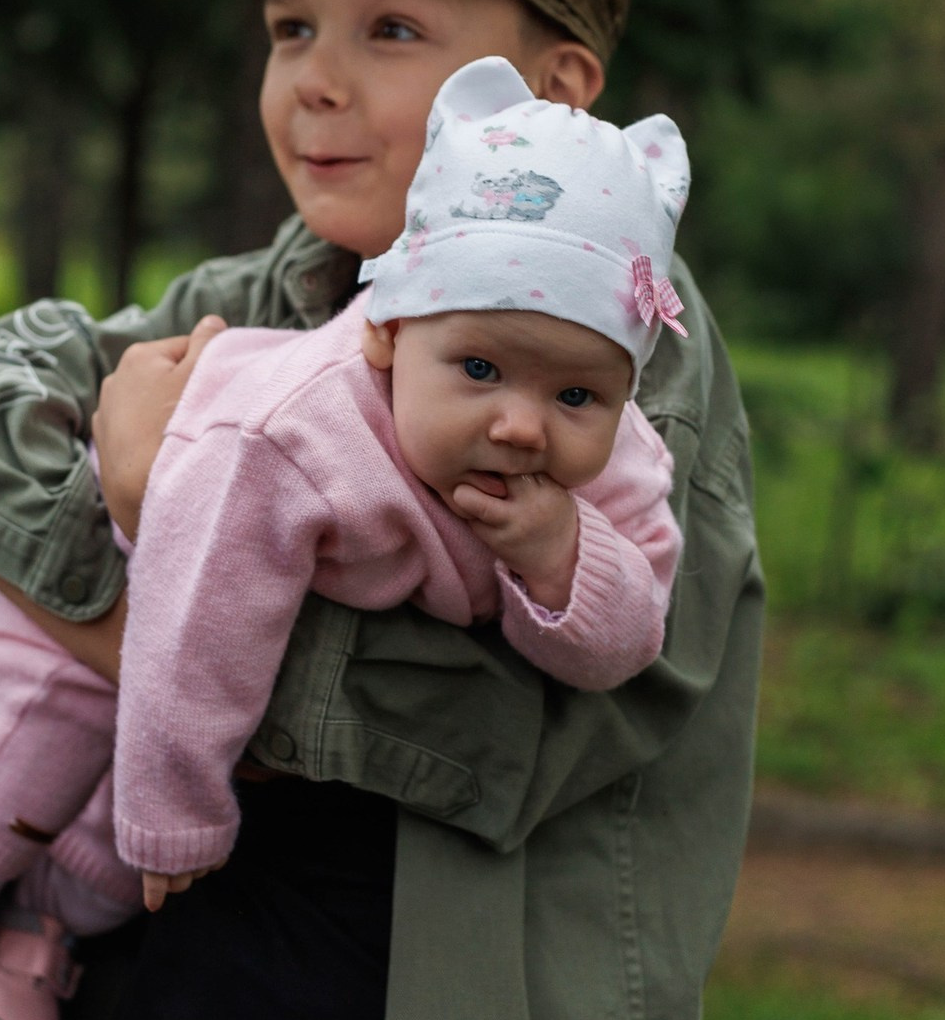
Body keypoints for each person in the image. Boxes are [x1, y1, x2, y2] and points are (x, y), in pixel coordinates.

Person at [0, 0, 763, 1020]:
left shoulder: (616, 370)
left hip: (449, 1005)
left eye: (389, 29)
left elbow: (520, 736)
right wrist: (131, 555)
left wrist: (147, 530)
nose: (313, 79)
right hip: (214, 972)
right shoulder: (292, 289)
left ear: (551, 93)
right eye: (290, 29)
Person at [114, 55, 689, 905]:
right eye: (480, 369)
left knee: (86, 886)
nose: (523, 426)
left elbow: (632, 641)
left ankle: (36, 937)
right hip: (147, 555)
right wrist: (174, 801)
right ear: (387, 334)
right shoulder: (297, 432)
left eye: (576, 395)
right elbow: (201, 602)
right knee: (21, 774)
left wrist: (563, 555)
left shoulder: (622, 457)